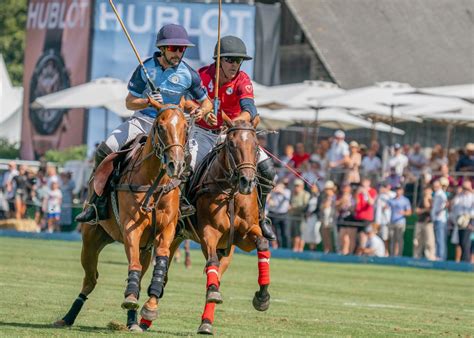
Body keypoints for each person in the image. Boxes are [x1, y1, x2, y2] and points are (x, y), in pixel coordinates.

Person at [76, 24, 213, 223]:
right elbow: (129, 102)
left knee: (190, 161)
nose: (178, 53)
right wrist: (147, 100)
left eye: (182, 49)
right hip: (143, 121)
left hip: (171, 127)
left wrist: (202, 110)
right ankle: (96, 203)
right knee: (106, 149)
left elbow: (206, 102)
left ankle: (183, 201)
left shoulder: (188, 74)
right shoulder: (145, 69)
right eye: (174, 48)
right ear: (163, 48)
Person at [189, 35, 276, 240]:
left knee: (267, 170)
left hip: (233, 134)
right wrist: (201, 111)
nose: (235, 65)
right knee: (187, 167)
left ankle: (261, 216)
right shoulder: (202, 76)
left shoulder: (242, 79)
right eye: (230, 60)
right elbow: (186, 101)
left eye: (238, 61)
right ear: (219, 60)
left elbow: (249, 110)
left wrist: (233, 123)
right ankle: (184, 211)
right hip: (203, 134)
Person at [387, 185, 412, 256]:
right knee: (392, 239)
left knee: (399, 239)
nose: (398, 191)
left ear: (402, 191)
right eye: (397, 190)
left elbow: (409, 212)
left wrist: (403, 213)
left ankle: (398, 255)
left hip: (400, 222)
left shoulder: (405, 200)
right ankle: (391, 255)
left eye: (399, 190)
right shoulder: (391, 200)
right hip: (392, 222)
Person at [413, 186, 435, 260]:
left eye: (428, 190)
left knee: (429, 241)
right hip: (420, 222)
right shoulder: (421, 199)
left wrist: (423, 209)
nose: (426, 192)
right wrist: (425, 210)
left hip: (428, 223)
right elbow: (417, 210)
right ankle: (416, 256)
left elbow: (429, 209)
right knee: (417, 241)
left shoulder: (432, 199)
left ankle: (430, 257)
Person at [431, 179, 448, 261]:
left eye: (436, 186)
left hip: (440, 219)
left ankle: (440, 257)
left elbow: (446, 203)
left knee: (440, 238)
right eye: (434, 186)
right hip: (436, 219)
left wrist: (440, 211)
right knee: (438, 238)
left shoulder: (441, 194)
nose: (435, 188)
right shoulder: (437, 194)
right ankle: (439, 255)